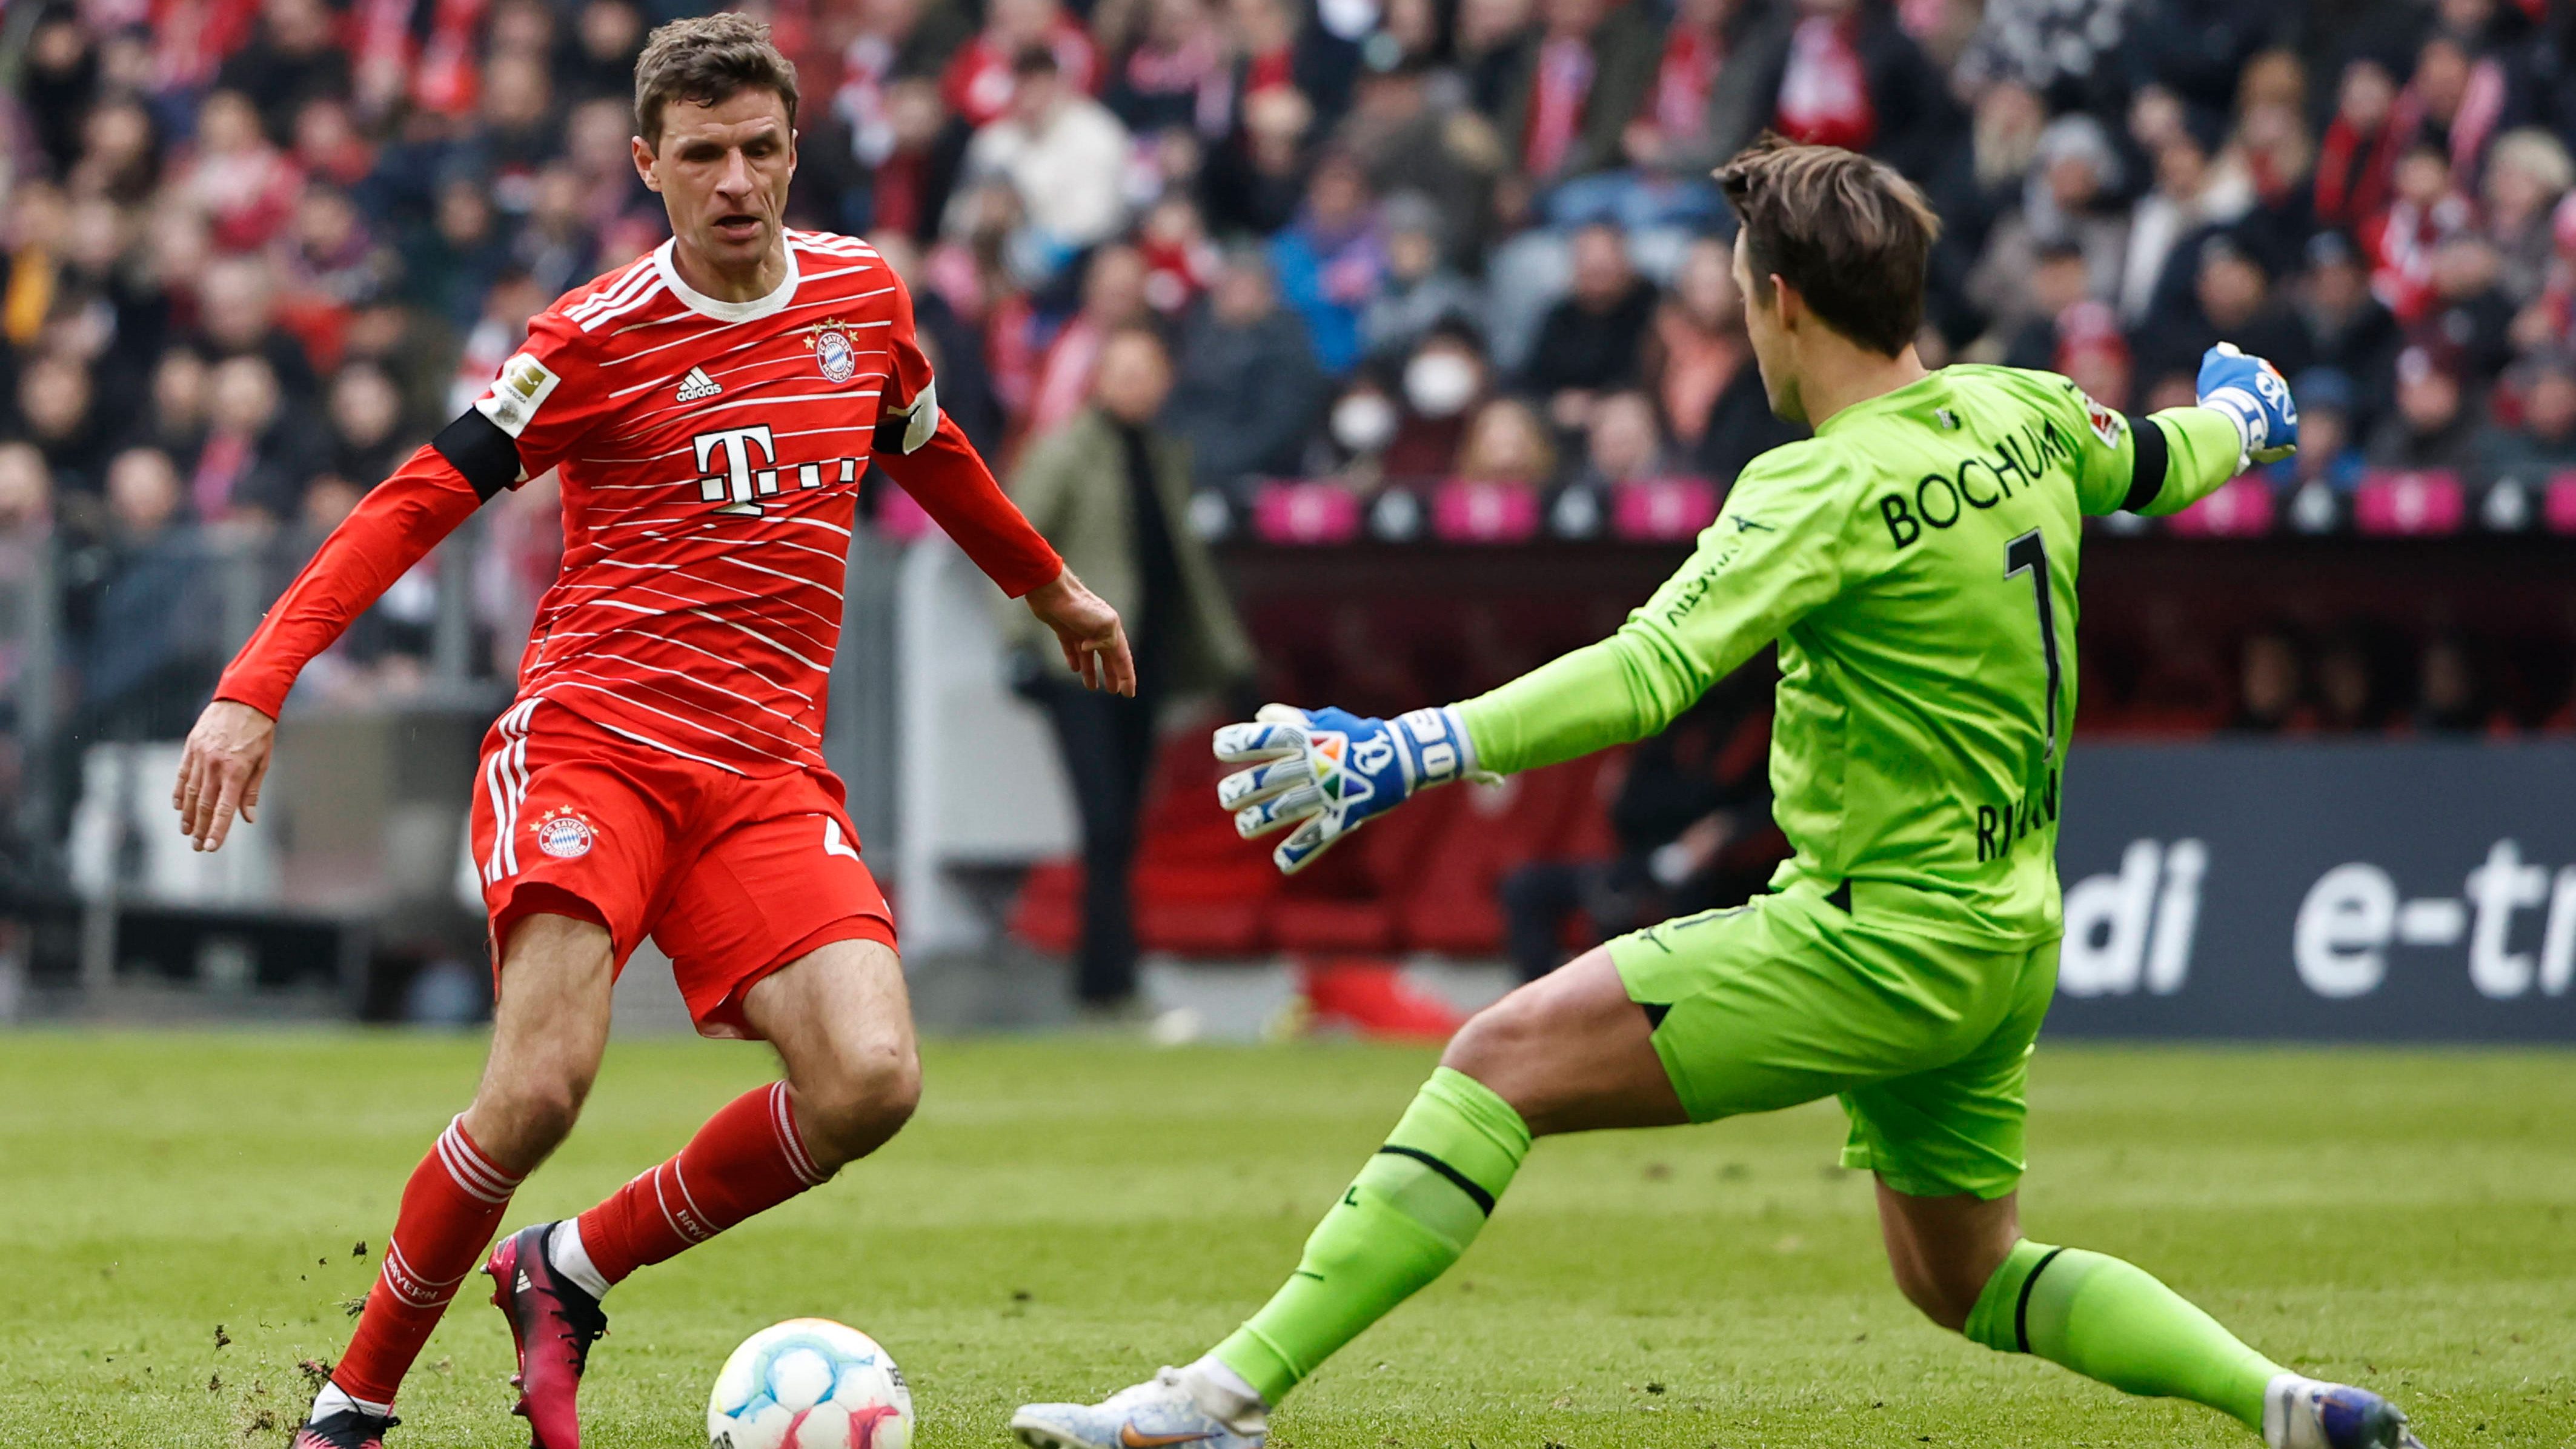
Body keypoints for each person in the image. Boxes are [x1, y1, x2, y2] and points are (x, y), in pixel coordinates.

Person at [1012, 138, 2426, 1449]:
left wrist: (1405, 746)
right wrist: (2244, 416)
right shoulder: (2027, 411)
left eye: (1744, 300)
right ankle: (2284, 1401)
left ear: (1785, 304)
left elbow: (1645, 672)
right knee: (1965, 1275)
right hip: (2006, 936)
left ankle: (1219, 1397)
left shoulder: (1810, 489)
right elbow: (2162, 459)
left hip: (1873, 936)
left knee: (1495, 1061)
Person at [172, 19, 1134, 1449]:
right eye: (702, 155)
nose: (736, 180)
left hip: (760, 772)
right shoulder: (595, 336)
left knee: (870, 1080)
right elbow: (413, 502)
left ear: (795, 150)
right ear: (648, 165)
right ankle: (352, 1404)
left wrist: (1048, 586)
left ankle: (565, 1267)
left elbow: (926, 443)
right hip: (592, 742)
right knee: (543, 1084)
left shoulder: (862, 299)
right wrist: (258, 681)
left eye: (760, 149)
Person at [1005, 327, 1255, 1011]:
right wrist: (1021, 642)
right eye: (1123, 371)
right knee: (1105, 820)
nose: (1136, 385)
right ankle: (1103, 978)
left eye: (1148, 371)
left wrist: (1226, 658)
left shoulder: (1164, 454)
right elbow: (1010, 543)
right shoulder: (1065, 452)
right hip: (1075, 665)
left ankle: (1113, 973)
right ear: (1098, 379)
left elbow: (1184, 570)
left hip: (1143, 663)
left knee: (1125, 824)